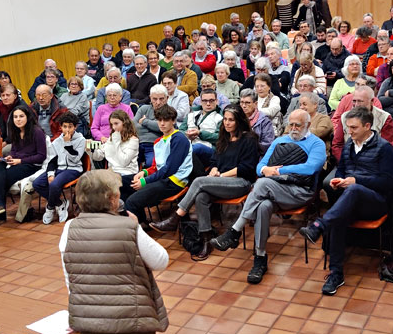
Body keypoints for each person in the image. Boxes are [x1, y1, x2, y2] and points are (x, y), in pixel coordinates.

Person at [59, 169, 169, 334]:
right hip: (131, 323)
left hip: (90, 324)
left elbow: (71, 278)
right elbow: (161, 261)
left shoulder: (69, 228)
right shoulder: (128, 226)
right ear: (111, 199)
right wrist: (136, 227)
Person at [210, 109, 326, 284]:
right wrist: (266, 170)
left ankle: (235, 231)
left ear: (308, 125)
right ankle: (260, 257)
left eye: (298, 125)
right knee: (263, 205)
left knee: (262, 184)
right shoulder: (280, 141)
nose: (293, 128)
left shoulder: (316, 144)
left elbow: (310, 168)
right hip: (275, 190)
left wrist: (278, 170)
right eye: (291, 124)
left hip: (299, 191)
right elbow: (259, 167)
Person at [300, 107, 393, 295]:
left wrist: (356, 181)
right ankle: (336, 274)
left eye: (354, 128)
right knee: (338, 216)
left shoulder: (384, 148)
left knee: (354, 189)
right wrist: (338, 181)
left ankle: (319, 225)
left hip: (376, 203)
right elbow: (342, 170)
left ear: (368, 126)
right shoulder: (349, 145)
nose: (349, 132)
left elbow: (389, 182)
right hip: (351, 199)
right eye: (347, 128)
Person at [151, 104, 259, 259]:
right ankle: (206, 241)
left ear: (239, 121)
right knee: (201, 197)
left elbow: (247, 168)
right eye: (225, 120)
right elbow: (215, 160)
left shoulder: (249, 139)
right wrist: (214, 169)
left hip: (240, 183)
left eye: (231, 120)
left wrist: (221, 176)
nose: (227, 123)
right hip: (220, 181)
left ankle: (176, 217)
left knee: (199, 182)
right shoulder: (224, 137)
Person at [125, 105, 193, 226]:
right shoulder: (158, 141)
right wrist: (144, 173)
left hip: (174, 182)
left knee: (131, 201)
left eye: (166, 120)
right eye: (159, 120)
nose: (162, 123)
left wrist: (145, 181)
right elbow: (157, 167)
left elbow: (169, 170)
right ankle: (142, 221)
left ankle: (135, 234)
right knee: (122, 183)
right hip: (162, 178)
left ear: (173, 121)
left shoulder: (179, 138)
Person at [0, 105, 47, 225]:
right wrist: (10, 157)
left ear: (28, 117)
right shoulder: (16, 131)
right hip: (16, 164)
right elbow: (14, 152)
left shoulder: (37, 132)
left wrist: (20, 161)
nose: (18, 119)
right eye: (15, 117)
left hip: (31, 165)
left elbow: (41, 156)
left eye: (21, 116)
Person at [32, 112, 85, 224]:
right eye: (64, 126)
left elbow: (75, 158)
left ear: (75, 127)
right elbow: (52, 160)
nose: (67, 130)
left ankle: (50, 207)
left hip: (73, 169)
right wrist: (50, 174)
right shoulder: (56, 141)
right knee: (37, 183)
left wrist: (68, 144)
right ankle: (60, 203)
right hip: (59, 168)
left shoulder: (81, 140)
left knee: (55, 184)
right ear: (61, 127)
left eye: (70, 127)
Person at [332, 86, 393, 161]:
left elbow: (388, 148)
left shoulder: (384, 117)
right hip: (347, 161)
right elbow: (337, 145)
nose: (356, 105)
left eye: (360, 101)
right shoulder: (344, 117)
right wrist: (346, 162)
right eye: (354, 101)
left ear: (372, 101)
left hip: (374, 163)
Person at [91, 110, 139, 202]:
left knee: (104, 187)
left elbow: (123, 162)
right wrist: (91, 150)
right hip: (113, 174)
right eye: (112, 124)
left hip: (128, 175)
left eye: (116, 123)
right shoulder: (112, 138)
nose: (114, 127)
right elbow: (99, 156)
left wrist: (116, 141)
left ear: (125, 123)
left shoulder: (133, 140)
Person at [134, 85, 170, 168]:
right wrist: (153, 125)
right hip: (138, 143)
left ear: (167, 98)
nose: (158, 102)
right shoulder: (143, 108)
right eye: (154, 99)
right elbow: (134, 125)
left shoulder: (169, 111)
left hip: (155, 145)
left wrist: (144, 122)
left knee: (151, 165)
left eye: (161, 99)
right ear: (150, 98)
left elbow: (162, 128)